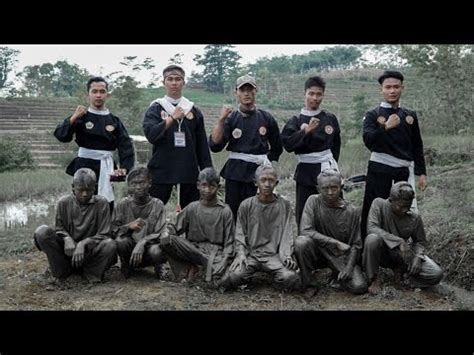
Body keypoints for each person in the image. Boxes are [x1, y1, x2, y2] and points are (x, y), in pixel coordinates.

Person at [361, 70, 427, 238]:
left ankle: (405, 247)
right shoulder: (373, 114)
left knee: (405, 209)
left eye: (396, 87)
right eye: (388, 87)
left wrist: (421, 172)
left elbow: (417, 145)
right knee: (374, 208)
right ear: (381, 90)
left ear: (402, 88)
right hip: (379, 169)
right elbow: (369, 141)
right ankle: (367, 249)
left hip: (403, 170)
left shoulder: (409, 115)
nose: (392, 91)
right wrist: (385, 127)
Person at [209, 74, 283, 220]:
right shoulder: (231, 118)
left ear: (256, 91)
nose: (247, 93)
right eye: (243, 90)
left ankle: (258, 240)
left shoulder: (266, 118)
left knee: (258, 212)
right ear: (236, 92)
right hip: (235, 172)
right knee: (233, 212)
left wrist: (266, 166)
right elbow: (215, 146)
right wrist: (221, 119)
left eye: (250, 89)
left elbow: (277, 147)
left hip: (259, 173)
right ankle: (234, 241)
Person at [54, 76, 135, 210]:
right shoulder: (81, 117)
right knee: (82, 202)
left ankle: (105, 230)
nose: (98, 95)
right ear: (88, 95)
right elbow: (61, 136)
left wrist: (124, 168)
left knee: (105, 204)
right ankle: (81, 230)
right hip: (84, 166)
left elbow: (125, 146)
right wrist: (74, 117)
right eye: (94, 91)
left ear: (107, 95)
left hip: (106, 166)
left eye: (102, 91)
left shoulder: (114, 120)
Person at [143, 65, 212, 210]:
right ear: (164, 83)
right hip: (162, 169)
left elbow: (202, 145)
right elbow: (151, 135)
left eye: (178, 79)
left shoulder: (193, 110)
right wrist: (171, 118)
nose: (174, 83)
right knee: (152, 210)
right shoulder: (156, 108)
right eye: (170, 79)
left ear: (184, 83)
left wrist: (208, 172)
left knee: (191, 213)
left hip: (188, 169)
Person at [223, 165, 300, 291]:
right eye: (263, 180)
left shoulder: (284, 205)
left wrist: (287, 255)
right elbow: (239, 232)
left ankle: (277, 281)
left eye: (271, 180)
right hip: (252, 254)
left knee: (290, 277)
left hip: (275, 256)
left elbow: (288, 232)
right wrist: (241, 253)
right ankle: (247, 281)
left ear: (277, 182)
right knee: (234, 277)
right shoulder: (246, 205)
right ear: (255, 182)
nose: (267, 184)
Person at [33, 168, 117, 283]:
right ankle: (61, 273)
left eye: (89, 190)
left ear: (95, 187)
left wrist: (83, 243)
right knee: (42, 232)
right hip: (67, 252)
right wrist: (66, 238)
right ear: (73, 187)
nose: (84, 194)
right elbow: (59, 228)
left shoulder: (102, 203)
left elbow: (104, 234)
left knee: (110, 244)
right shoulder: (64, 202)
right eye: (80, 190)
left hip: (90, 252)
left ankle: (91, 274)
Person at [294, 169, 367, 297]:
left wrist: (349, 267)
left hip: (340, 256)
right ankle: (308, 282)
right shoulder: (313, 201)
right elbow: (305, 230)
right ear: (318, 189)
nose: (330, 192)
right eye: (325, 188)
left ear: (341, 187)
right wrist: (334, 242)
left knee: (359, 286)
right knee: (301, 242)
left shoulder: (352, 211)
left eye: (334, 188)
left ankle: (336, 276)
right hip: (318, 252)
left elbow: (356, 244)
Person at [281, 76, 341, 231]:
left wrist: (332, 167)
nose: (315, 98)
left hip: (327, 168)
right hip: (305, 172)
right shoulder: (296, 120)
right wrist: (305, 131)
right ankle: (305, 245)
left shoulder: (330, 119)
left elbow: (336, 145)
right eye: (311, 93)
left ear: (323, 95)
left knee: (333, 209)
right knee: (305, 212)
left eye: (319, 94)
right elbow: (287, 145)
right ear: (305, 94)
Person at [363, 181, 443, 294]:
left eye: (408, 206)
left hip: (402, 255)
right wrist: (399, 241)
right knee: (372, 239)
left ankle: (405, 278)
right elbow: (371, 228)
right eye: (401, 206)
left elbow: (420, 241)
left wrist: (418, 257)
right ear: (391, 201)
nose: (405, 210)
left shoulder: (415, 217)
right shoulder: (379, 204)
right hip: (382, 253)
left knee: (436, 274)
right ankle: (374, 278)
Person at [160, 167, 235, 286]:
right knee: (166, 240)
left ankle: (207, 270)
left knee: (225, 281)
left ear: (218, 187)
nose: (207, 190)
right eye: (204, 185)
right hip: (192, 248)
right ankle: (187, 268)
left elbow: (230, 242)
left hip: (214, 253)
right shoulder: (192, 207)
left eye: (212, 186)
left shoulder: (225, 211)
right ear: (198, 186)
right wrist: (167, 233)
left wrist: (224, 261)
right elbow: (173, 228)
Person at [111, 167, 167, 279]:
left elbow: (162, 232)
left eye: (142, 183)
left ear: (149, 183)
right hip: (130, 248)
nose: (138, 187)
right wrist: (128, 226)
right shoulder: (123, 204)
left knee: (157, 250)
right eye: (134, 183)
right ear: (129, 185)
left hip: (149, 249)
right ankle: (126, 266)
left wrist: (143, 242)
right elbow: (113, 230)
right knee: (121, 241)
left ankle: (158, 266)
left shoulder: (157, 205)